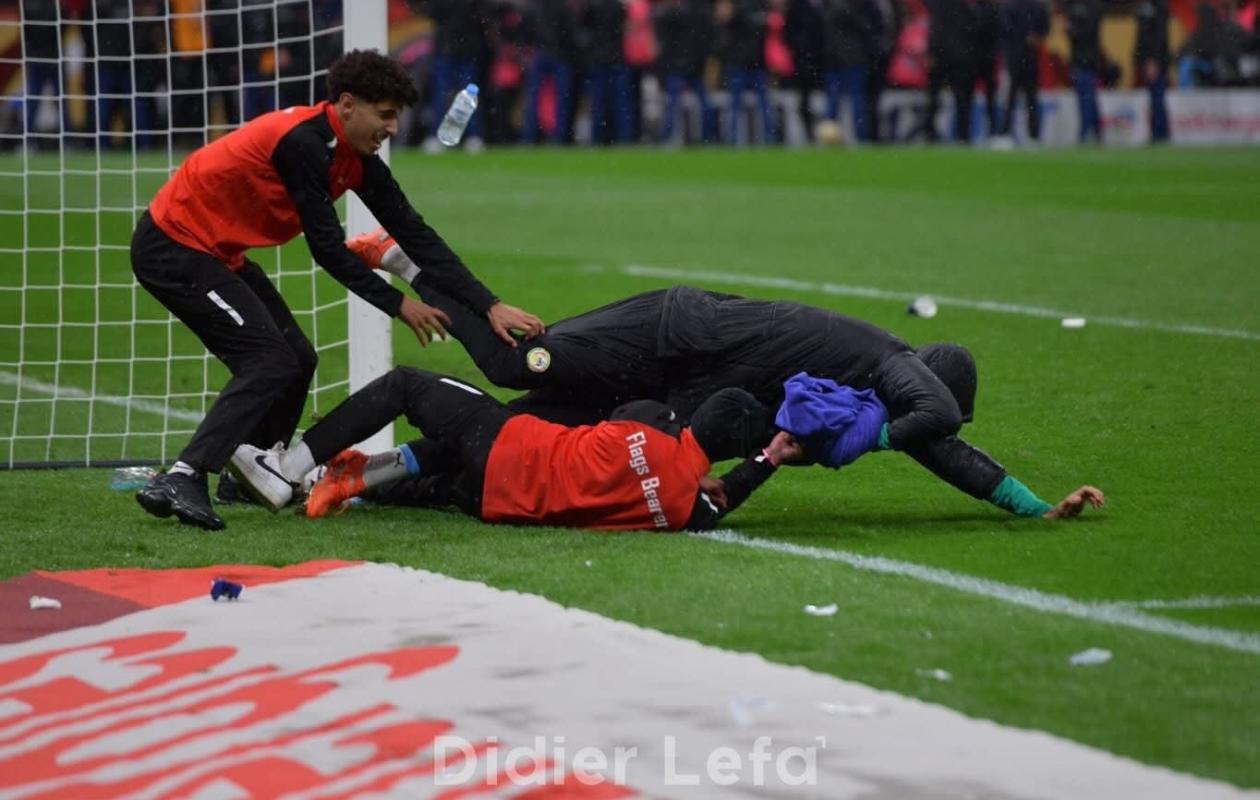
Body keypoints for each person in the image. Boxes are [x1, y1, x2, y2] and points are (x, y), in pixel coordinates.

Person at [349, 234, 1105, 521]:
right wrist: (873, 444)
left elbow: (940, 445)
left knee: (531, 435)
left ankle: (369, 479)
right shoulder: (895, 365)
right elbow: (936, 418)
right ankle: (401, 259)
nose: (929, 429)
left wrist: (1034, 507)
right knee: (515, 366)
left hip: (672, 385)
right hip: (664, 332)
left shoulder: (876, 389)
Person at [130, 50, 544, 531]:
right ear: (347, 104)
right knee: (269, 360)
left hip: (215, 252)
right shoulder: (303, 144)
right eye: (385, 115)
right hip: (174, 247)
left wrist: (488, 305)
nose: (392, 129)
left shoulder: (357, 159)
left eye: (396, 117)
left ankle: (249, 471)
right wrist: (399, 304)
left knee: (297, 358)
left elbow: (417, 236)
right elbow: (327, 250)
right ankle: (184, 474)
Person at [231, 367, 808, 532]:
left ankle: (290, 467)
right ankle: (357, 479)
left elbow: (623, 417)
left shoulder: (656, 426)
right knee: (452, 443)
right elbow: (722, 498)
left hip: (504, 445)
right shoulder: (686, 510)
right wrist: (770, 459)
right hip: (495, 503)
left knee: (407, 386)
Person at [999, 0, 1049, 142]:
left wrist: (1037, 36)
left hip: (1025, 59)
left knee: (1026, 98)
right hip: (1018, 60)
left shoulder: (1013, 6)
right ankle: (1008, 133)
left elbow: (1044, 28)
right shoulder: (1012, 7)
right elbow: (1005, 31)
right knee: (1016, 98)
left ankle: (1029, 134)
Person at [1065, 0, 1104, 143]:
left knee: (1086, 98)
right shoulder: (1077, 6)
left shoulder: (1092, 7)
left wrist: (1072, 30)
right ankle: (1095, 131)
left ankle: (1085, 132)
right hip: (1080, 59)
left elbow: (1089, 31)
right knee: (1088, 97)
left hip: (1087, 60)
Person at [1134, 0, 1171, 142]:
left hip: (1155, 61)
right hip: (1150, 59)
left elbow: (1158, 36)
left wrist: (1153, 60)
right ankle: (1158, 132)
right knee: (1154, 98)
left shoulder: (1158, 6)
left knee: (1157, 97)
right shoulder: (1148, 6)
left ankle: (1160, 134)